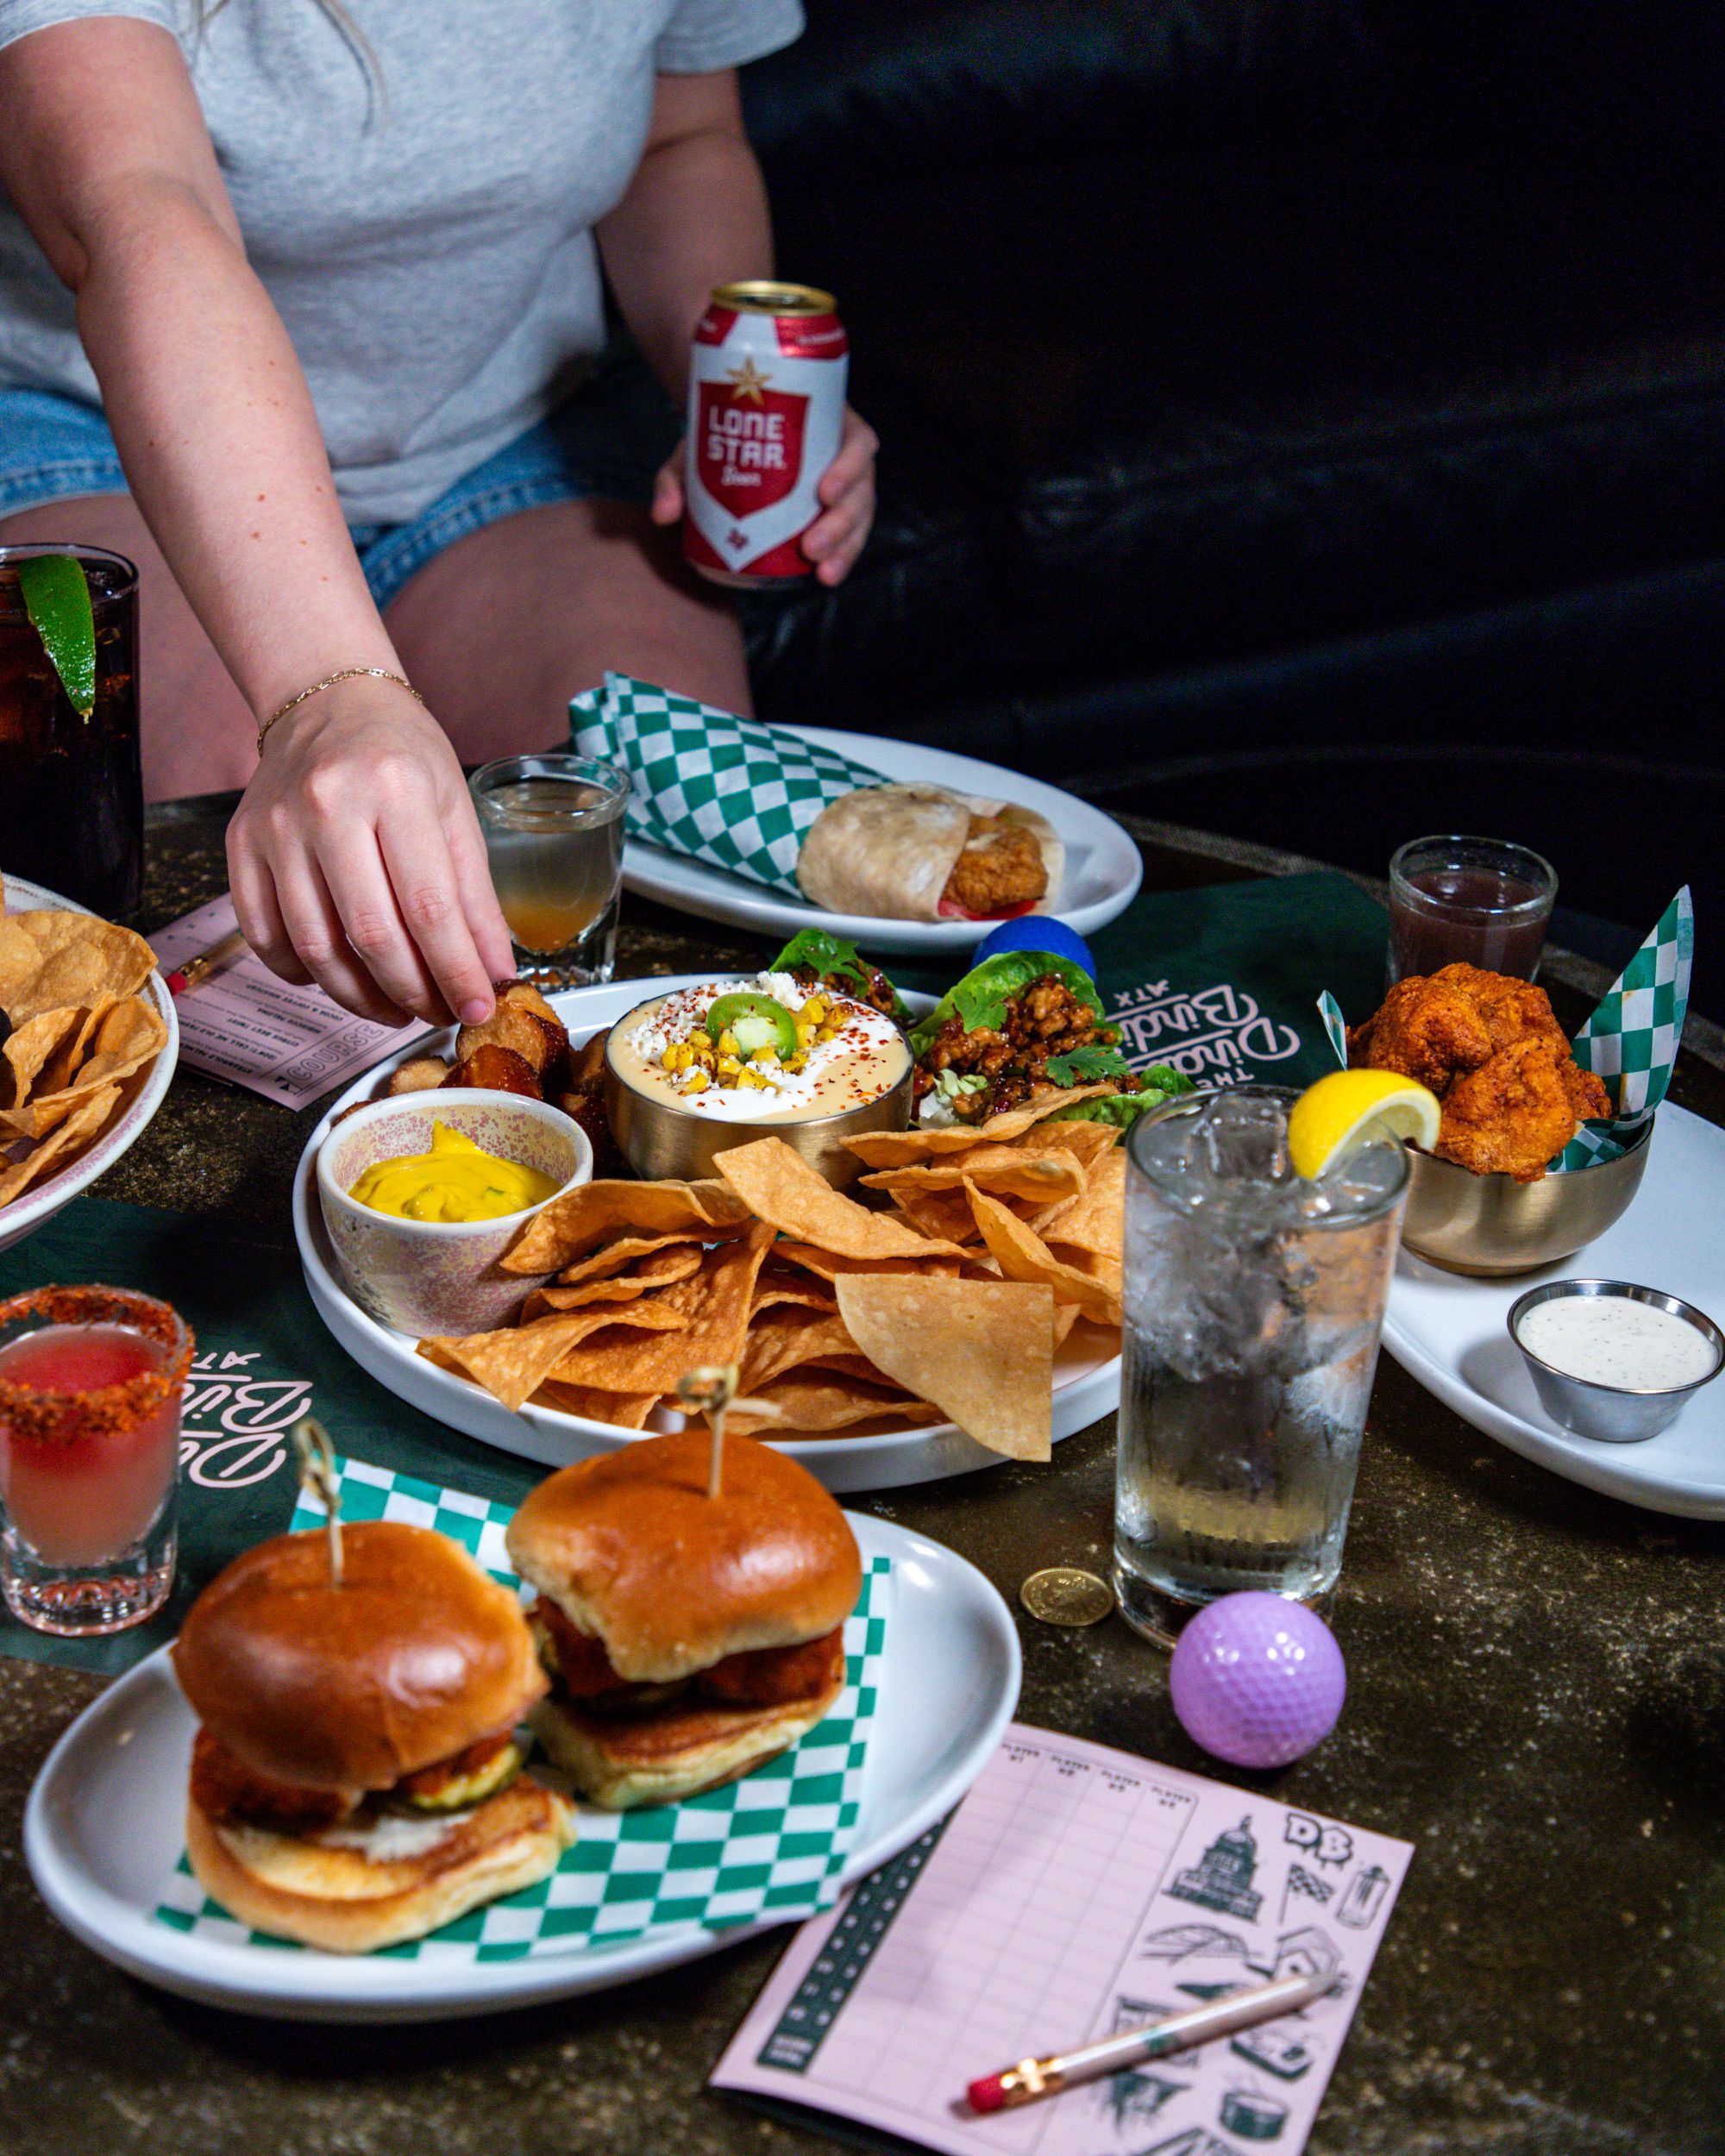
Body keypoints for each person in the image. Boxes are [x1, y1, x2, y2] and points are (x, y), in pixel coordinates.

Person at [0, 0, 876, 1027]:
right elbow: (141, 214)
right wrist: (329, 697)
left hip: (506, 435)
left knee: (646, 864)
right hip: (93, 423)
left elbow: (682, 136)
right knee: (241, 900)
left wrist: (732, 391)